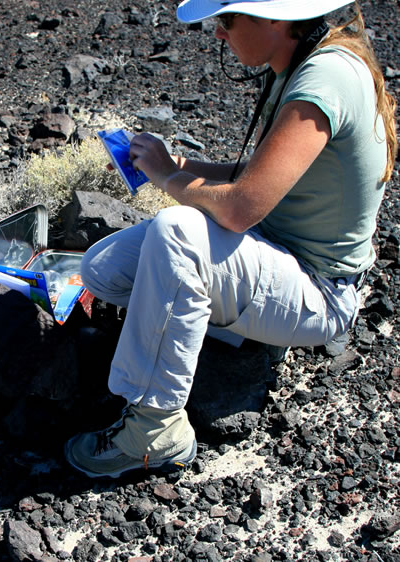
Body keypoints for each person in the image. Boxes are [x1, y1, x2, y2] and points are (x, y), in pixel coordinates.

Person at [65, 0, 397, 478]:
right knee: (103, 268)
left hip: (319, 290)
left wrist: (164, 178)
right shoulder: (301, 61)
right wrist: (180, 166)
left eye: (227, 19)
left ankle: (155, 431)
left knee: (177, 231)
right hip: (277, 251)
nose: (219, 32)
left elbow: (241, 208)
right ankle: (228, 329)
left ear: (275, 18)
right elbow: (263, 175)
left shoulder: (325, 79)